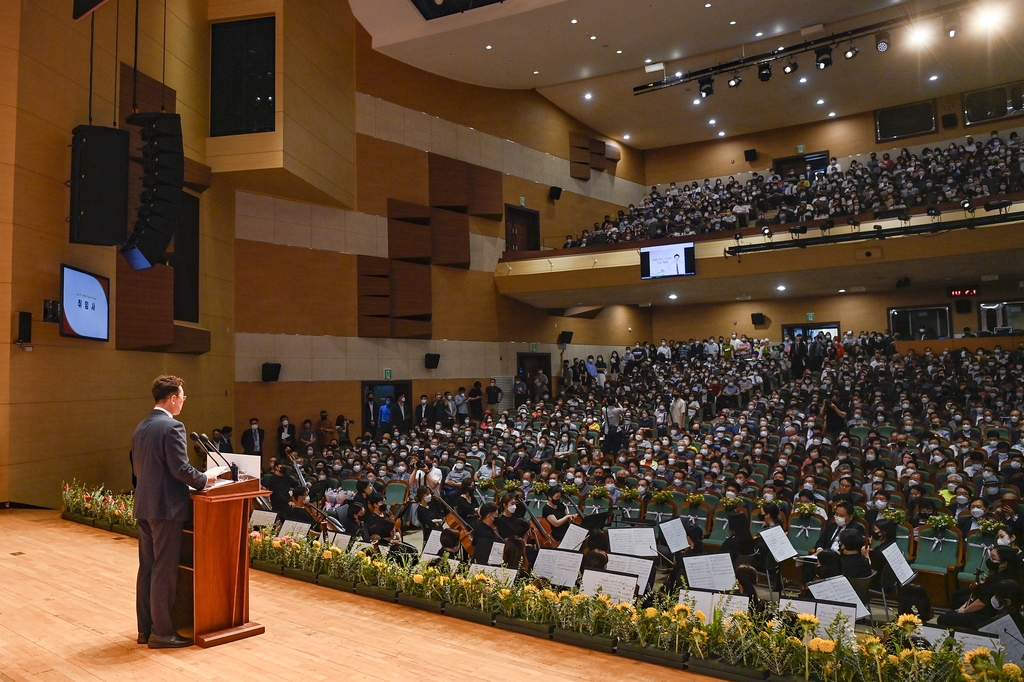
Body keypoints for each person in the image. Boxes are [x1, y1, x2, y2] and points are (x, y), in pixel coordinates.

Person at [132, 375, 218, 649]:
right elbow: (180, 469)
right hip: (167, 509)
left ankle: (145, 630)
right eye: (182, 396)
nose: (183, 400)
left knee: (147, 567)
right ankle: (162, 632)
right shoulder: (172, 427)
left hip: (145, 505)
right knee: (163, 570)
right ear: (172, 399)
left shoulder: (141, 426)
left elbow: (138, 470)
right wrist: (205, 480)